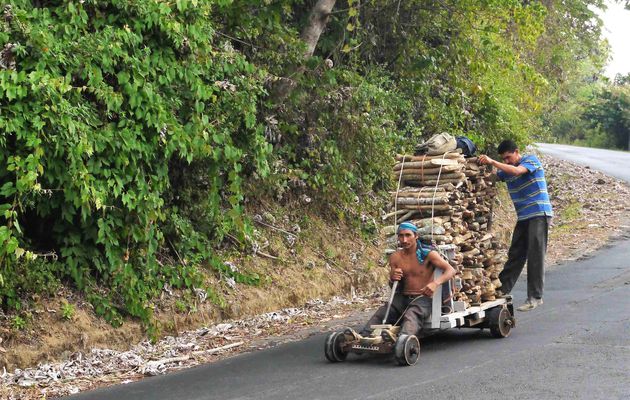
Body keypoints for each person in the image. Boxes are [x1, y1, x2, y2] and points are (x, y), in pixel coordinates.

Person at [478, 140, 553, 311]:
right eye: (503, 159)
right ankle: (502, 289)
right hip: (524, 216)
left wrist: (492, 162)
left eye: (508, 157)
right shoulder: (506, 170)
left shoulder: (530, 161)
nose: (506, 161)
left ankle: (535, 297)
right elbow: (492, 177)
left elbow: (517, 171)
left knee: (535, 254)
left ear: (517, 152)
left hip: (539, 213)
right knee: (516, 253)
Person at [361, 222, 456, 339]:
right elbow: (393, 284)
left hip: (423, 298)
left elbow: (450, 270)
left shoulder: (428, 254)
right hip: (402, 297)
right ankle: (361, 338)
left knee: (411, 315)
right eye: (401, 236)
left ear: (416, 236)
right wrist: (392, 277)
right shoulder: (395, 257)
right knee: (383, 312)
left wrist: (435, 283)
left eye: (408, 235)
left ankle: (404, 339)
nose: (404, 240)